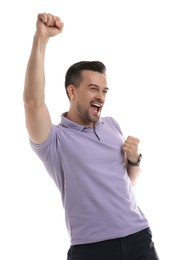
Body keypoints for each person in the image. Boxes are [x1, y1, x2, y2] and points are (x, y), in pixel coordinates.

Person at [23, 13, 160, 260]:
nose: (101, 96)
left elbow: (129, 181)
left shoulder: (111, 125)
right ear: (72, 91)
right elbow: (33, 102)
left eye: (104, 90)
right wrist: (41, 39)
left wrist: (133, 160)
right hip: (92, 248)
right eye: (93, 89)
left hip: (138, 237)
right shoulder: (55, 141)